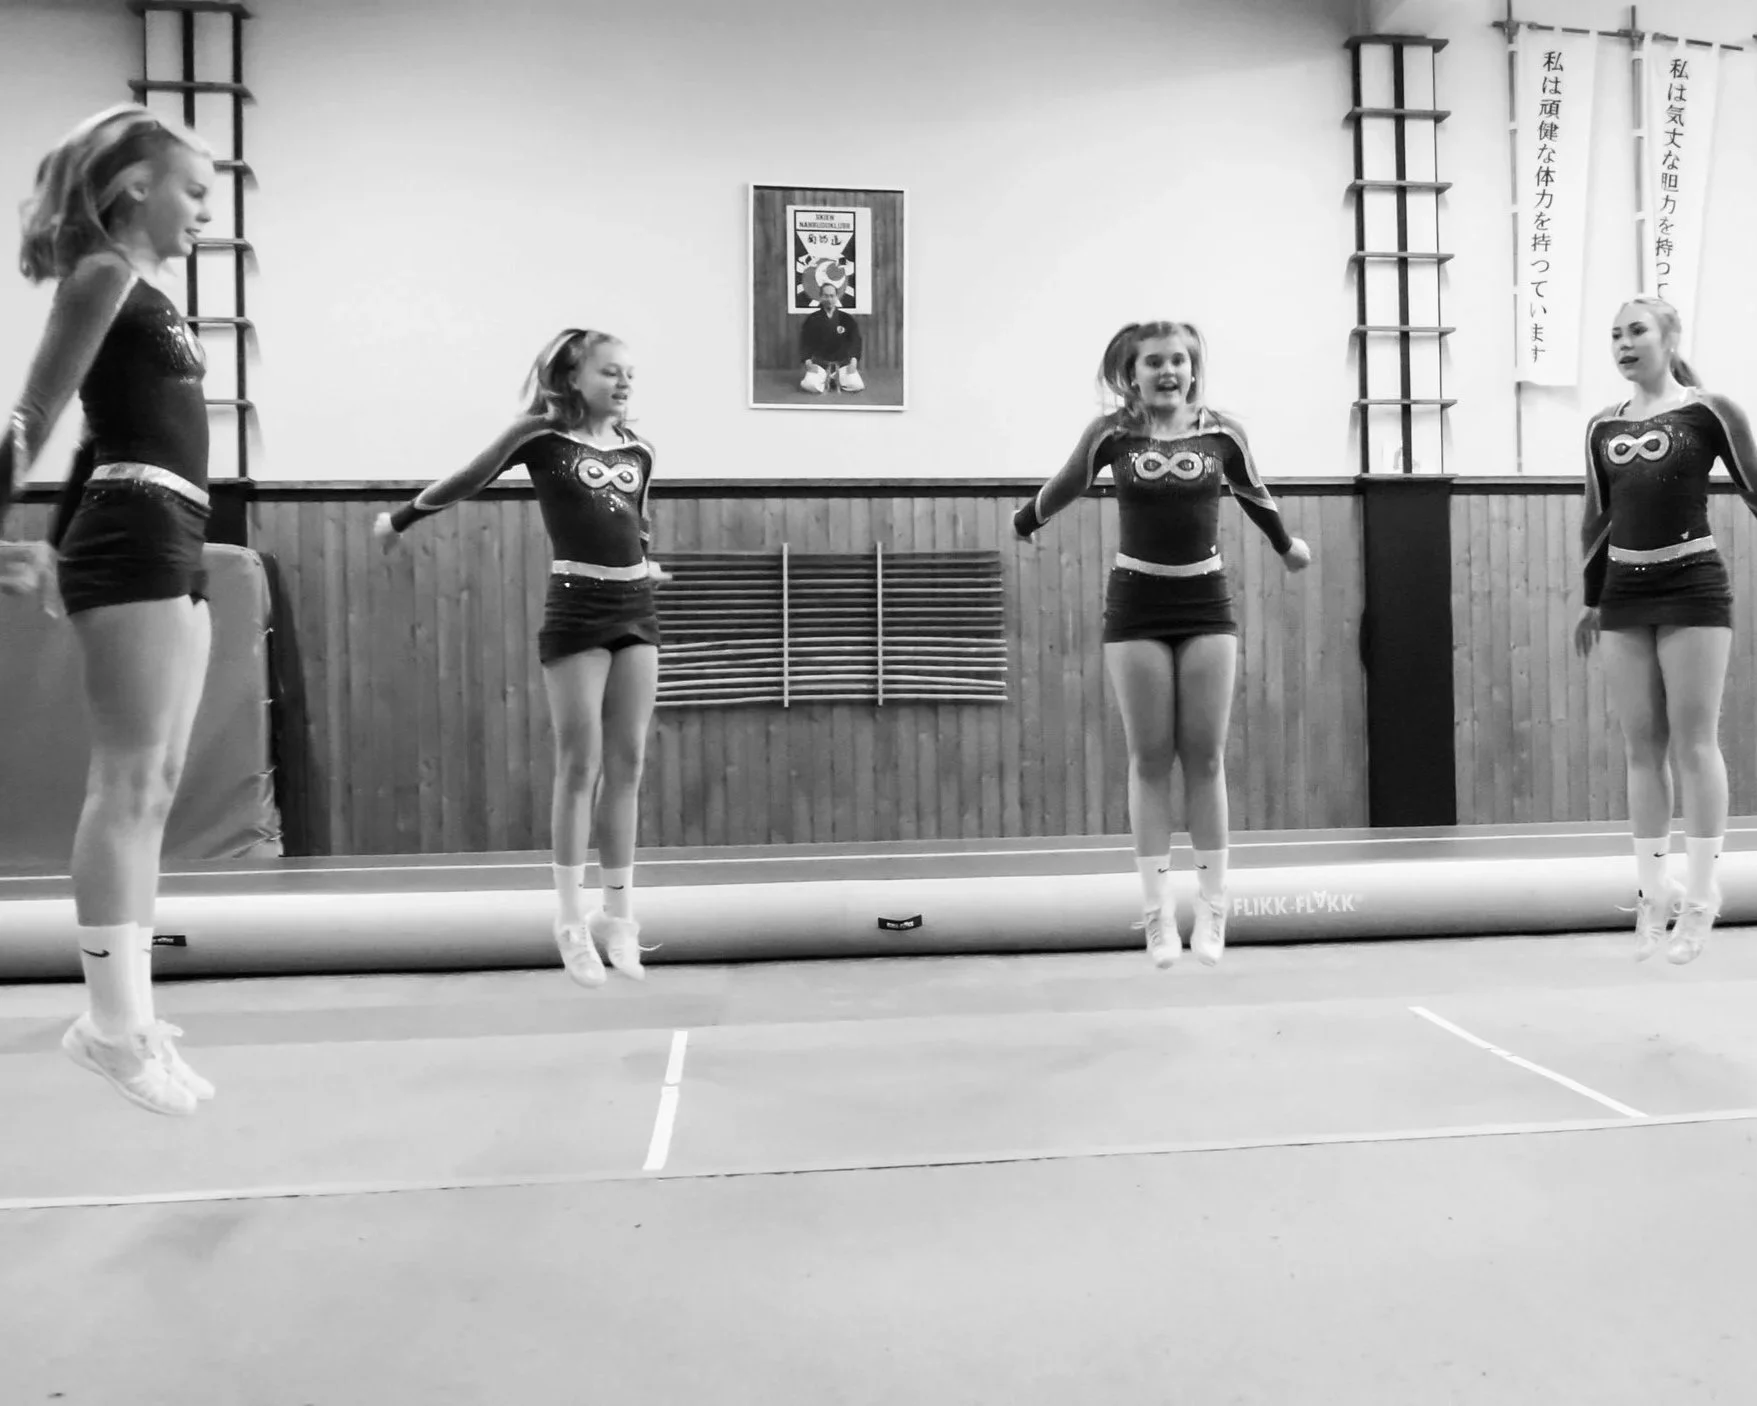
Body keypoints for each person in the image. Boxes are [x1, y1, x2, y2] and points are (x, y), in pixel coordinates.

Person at [0, 104, 221, 1116]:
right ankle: (107, 1022)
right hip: (133, 529)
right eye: (192, 192)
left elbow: (90, 436)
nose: (202, 215)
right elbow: (33, 412)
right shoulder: (104, 276)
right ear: (136, 184)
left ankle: (128, 1014)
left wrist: (46, 533)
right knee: (127, 783)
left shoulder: (147, 292)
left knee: (158, 783)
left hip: (164, 522)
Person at [1013, 320, 1310, 969]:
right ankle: (1154, 914)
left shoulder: (1221, 432)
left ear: (1194, 367)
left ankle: (1211, 906)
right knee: (1149, 758)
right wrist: (1027, 517)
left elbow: (1252, 493)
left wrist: (1285, 548)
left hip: (1205, 602)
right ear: (1131, 373)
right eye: (1154, 362)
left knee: (1203, 758)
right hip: (1136, 604)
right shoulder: (1111, 435)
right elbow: (1068, 480)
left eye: (1179, 359)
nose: (1168, 370)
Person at [377, 329, 663, 986]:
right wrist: (401, 517)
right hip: (576, 609)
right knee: (579, 763)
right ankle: (569, 918)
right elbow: (470, 476)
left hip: (636, 609)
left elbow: (638, 525)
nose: (622, 384)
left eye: (629, 375)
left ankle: (618, 916)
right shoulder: (538, 437)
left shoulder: (640, 451)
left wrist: (649, 564)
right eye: (609, 372)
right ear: (572, 376)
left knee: (628, 763)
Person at [1576, 294, 1757, 965]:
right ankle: (1653, 890)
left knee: (1693, 743)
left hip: (1691, 586)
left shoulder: (1708, 411)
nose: (1623, 343)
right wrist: (1590, 599)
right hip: (1624, 592)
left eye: (1636, 331)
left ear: (1668, 335)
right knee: (1639, 746)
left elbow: (1753, 485)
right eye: (1614, 334)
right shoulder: (1601, 427)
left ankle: (1703, 892)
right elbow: (1596, 520)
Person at [798, 284, 864, 394]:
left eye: (832, 296)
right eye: (826, 296)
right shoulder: (812, 319)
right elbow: (805, 342)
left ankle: (836, 380)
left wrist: (853, 362)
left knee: (857, 385)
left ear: (837, 297)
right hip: (820, 365)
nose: (829, 299)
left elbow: (855, 341)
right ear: (820, 297)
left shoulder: (846, 318)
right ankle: (826, 379)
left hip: (842, 364)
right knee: (808, 385)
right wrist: (808, 363)